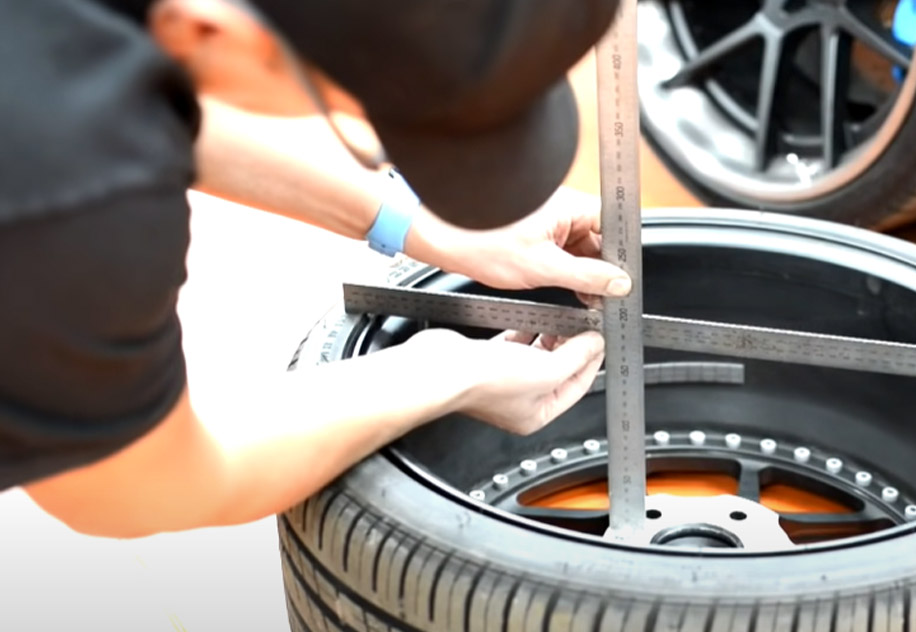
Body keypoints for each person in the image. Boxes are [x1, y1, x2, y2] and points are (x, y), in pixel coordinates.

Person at [0, 0, 630, 539]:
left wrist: (413, 218)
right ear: (211, 29)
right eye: (375, 126)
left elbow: (142, 85)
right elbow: (136, 487)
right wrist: (439, 372)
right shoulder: (64, 194)